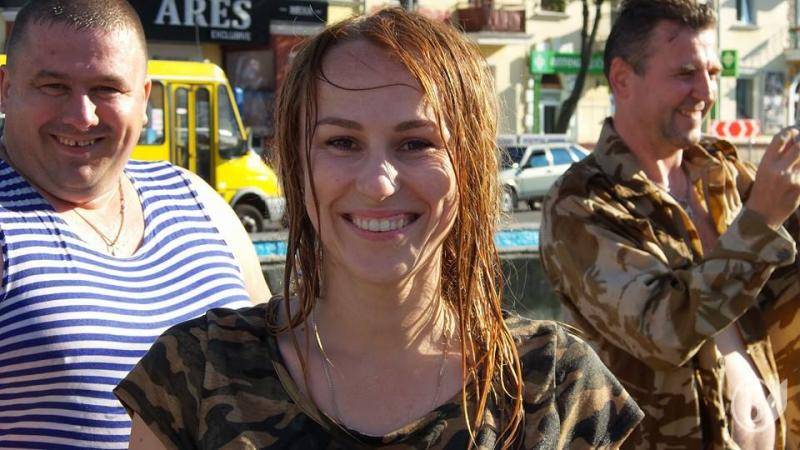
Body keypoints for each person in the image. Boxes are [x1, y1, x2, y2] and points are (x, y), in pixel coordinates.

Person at [115, 8, 644, 449]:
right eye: (342, 143)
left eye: (416, 143)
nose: (378, 183)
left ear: (471, 165)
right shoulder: (196, 375)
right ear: (297, 165)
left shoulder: (556, 387)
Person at [0, 0, 269, 448]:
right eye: (53, 86)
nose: (82, 115)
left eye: (106, 89)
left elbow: (280, 370)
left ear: (144, 99)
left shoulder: (196, 199)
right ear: (6, 89)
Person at [540, 0, 800, 448]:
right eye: (686, 73)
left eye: (713, 73)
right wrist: (760, 222)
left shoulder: (723, 173)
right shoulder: (581, 203)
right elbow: (665, 330)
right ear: (623, 79)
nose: (706, 92)